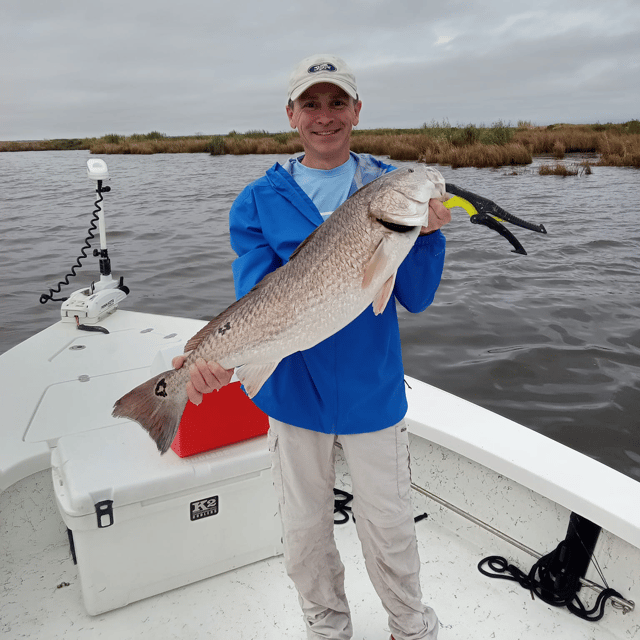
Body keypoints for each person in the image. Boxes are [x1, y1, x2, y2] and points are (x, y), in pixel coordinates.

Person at [174, 54, 451, 640]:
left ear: (356, 111)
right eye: (311, 104)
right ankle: (327, 630)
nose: (324, 117)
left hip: (373, 392)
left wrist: (427, 237)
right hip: (292, 393)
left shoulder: (384, 186)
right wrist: (213, 359)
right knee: (305, 531)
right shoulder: (257, 200)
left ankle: (411, 628)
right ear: (291, 115)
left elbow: (417, 298)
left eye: (336, 103)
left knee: (391, 525)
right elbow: (257, 300)